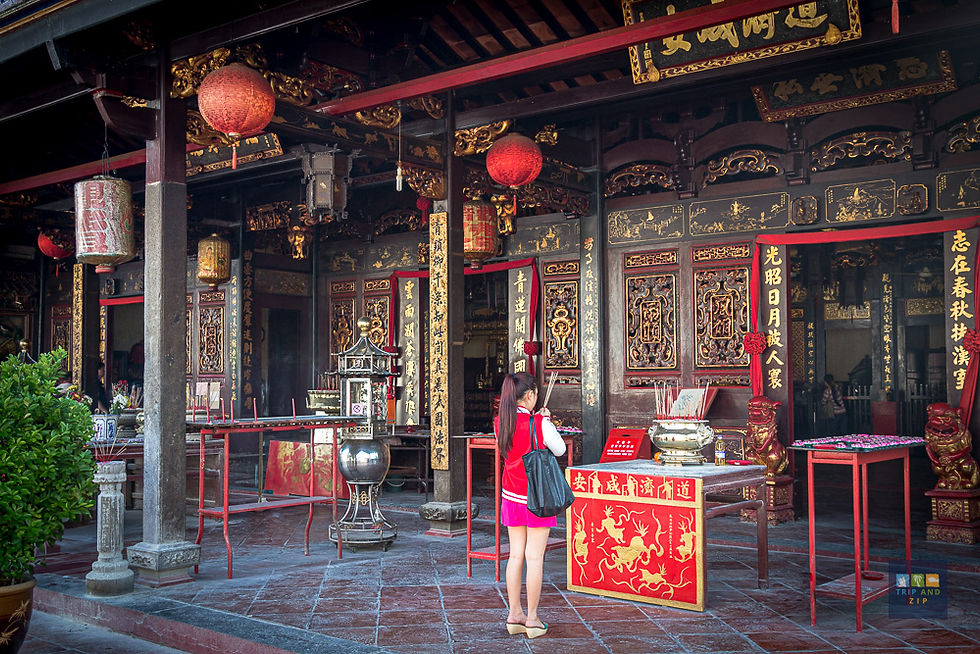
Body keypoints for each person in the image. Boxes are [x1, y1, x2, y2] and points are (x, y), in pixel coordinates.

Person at [495, 371, 566, 640]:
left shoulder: (501, 421)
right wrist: (546, 421)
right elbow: (559, 450)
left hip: (511, 494)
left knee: (515, 555)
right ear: (531, 395)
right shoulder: (540, 423)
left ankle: (514, 615)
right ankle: (533, 619)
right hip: (537, 497)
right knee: (535, 558)